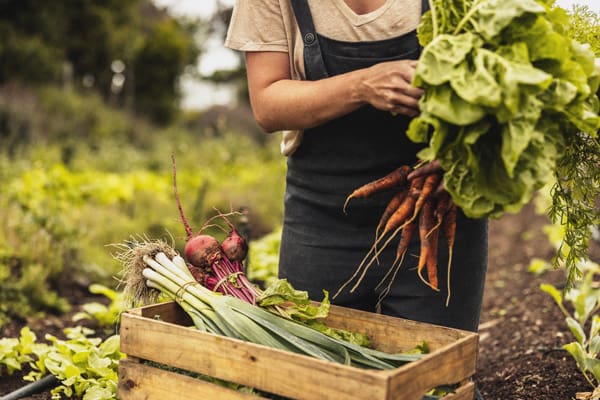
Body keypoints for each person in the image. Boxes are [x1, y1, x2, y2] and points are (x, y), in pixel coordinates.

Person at [225, 0, 487, 349]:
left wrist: (465, 148)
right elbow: (268, 103)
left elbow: (504, 78)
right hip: (321, 216)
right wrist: (363, 85)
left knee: (435, 377)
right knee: (319, 375)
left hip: (435, 213)